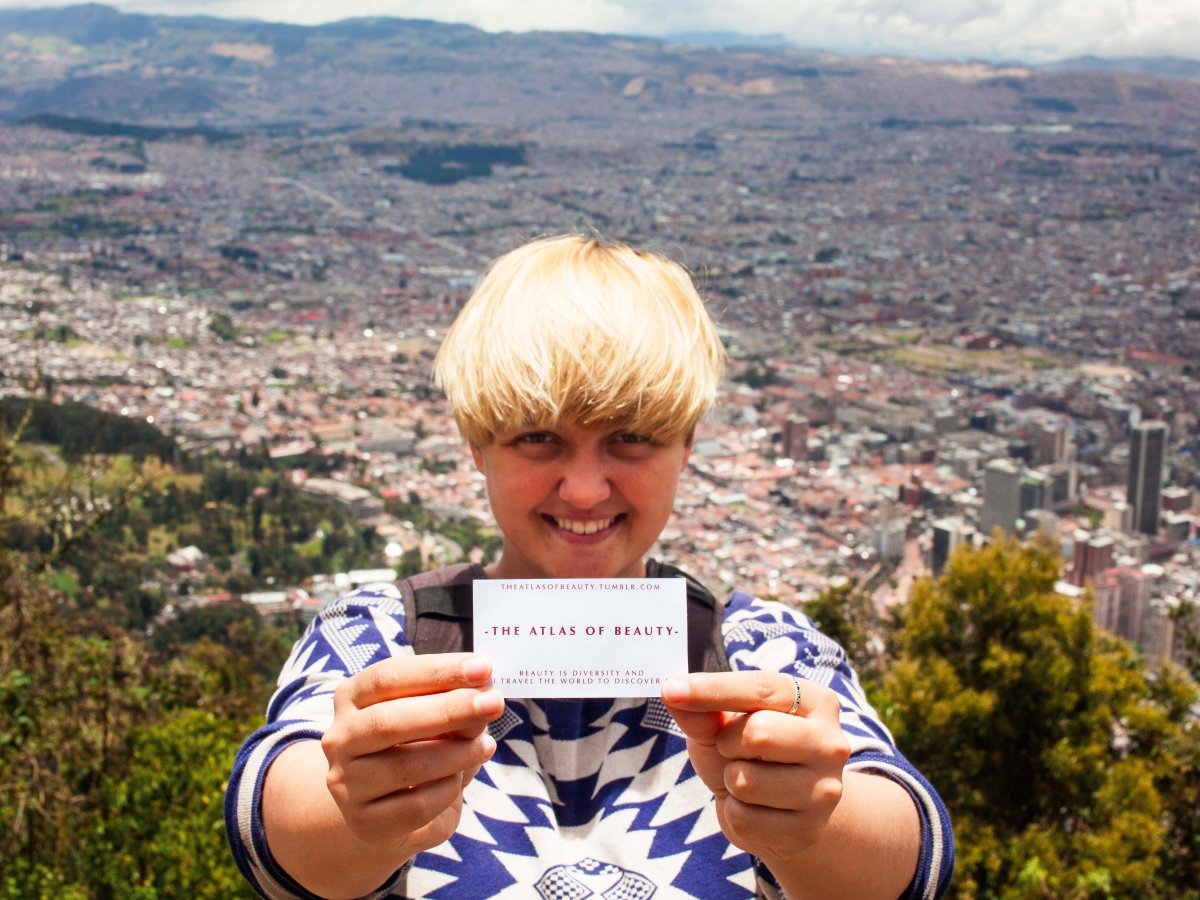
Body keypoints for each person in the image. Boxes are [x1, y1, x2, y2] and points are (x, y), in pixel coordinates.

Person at [225, 234, 954, 899]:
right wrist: (352, 808)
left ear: (687, 445)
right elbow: (274, 820)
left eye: (632, 439)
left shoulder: (762, 652)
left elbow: (908, 857)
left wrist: (817, 817)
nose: (584, 488)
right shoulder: (381, 640)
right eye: (538, 439)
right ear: (476, 443)